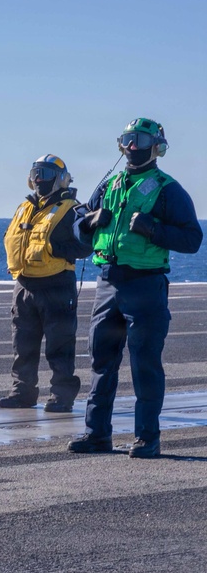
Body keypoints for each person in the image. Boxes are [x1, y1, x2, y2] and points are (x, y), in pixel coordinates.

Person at [68, 118, 201, 458]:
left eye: (140, 139)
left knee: (144, 364)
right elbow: (77, 231)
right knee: (101, 359)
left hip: (146, 285)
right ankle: (97, 434)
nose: (133, 145)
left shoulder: (167, 188)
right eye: (128, 138)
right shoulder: (109, 185)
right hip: (108, 283)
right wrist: (88, 222)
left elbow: (192, 239)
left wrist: (152, 228)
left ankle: (148, 438)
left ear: (157, 146)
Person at [0, 155, 91, 412]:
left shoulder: (73, 209)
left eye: (46, 173)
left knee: (59, 346)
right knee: (23, 347)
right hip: (24, 286)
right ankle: (22, 393)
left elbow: (85, 246)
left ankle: (62, 396)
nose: (39, 178)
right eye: (36, 172)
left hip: (57, 286)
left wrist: (53, 248)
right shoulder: (24, 207)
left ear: (60, 179)